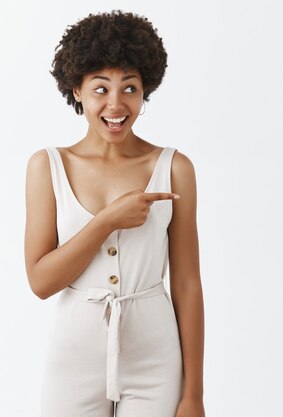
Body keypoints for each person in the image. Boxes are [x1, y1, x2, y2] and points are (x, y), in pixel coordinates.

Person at [23, 10, 205, 417]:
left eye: (130, 88)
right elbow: (40, 281)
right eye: (100, 88)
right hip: (73, 359)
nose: (116, 104)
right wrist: (106, 221)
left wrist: (193, 394)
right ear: (77, 90)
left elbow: (188, 284)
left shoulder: (175, 167)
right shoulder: (47, 166)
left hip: (155, 357)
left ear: (145, 92)